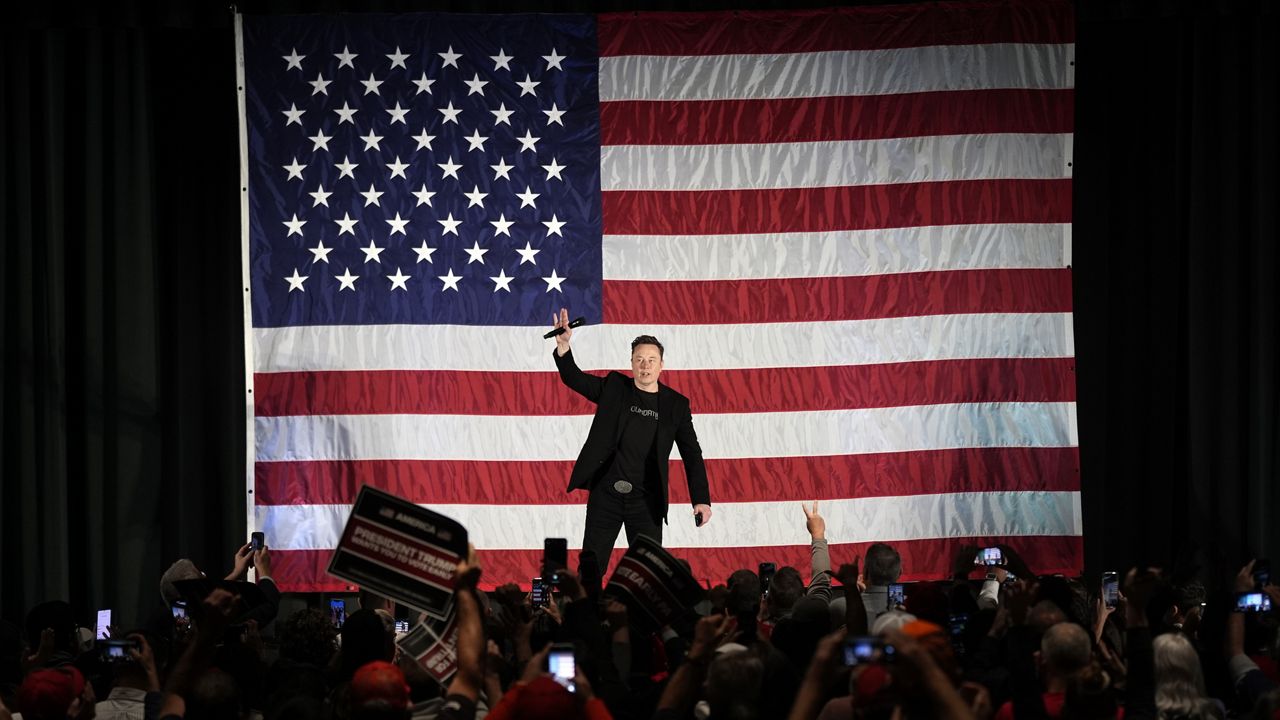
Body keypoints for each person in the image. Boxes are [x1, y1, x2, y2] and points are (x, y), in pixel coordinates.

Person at [549, 308, 712, 567]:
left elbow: (692, 454)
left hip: (645, 501)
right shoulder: (615, 388)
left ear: (661, 365)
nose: (645, 365)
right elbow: (574, 379)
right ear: (632, 363)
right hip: (606, 496)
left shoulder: (675, 405)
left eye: (651, 360)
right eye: (639, 359)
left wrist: (701, 500)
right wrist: (564, 347)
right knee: (591, 568)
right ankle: (588, 608)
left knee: (648, 570)